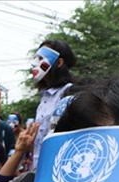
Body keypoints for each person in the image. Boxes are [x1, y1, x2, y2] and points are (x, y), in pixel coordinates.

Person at [30, 39, 76, 169]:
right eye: (35, 58)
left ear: (59, 62)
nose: (34, 63)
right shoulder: (44, 98)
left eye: (41, 58)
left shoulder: (68, 92)